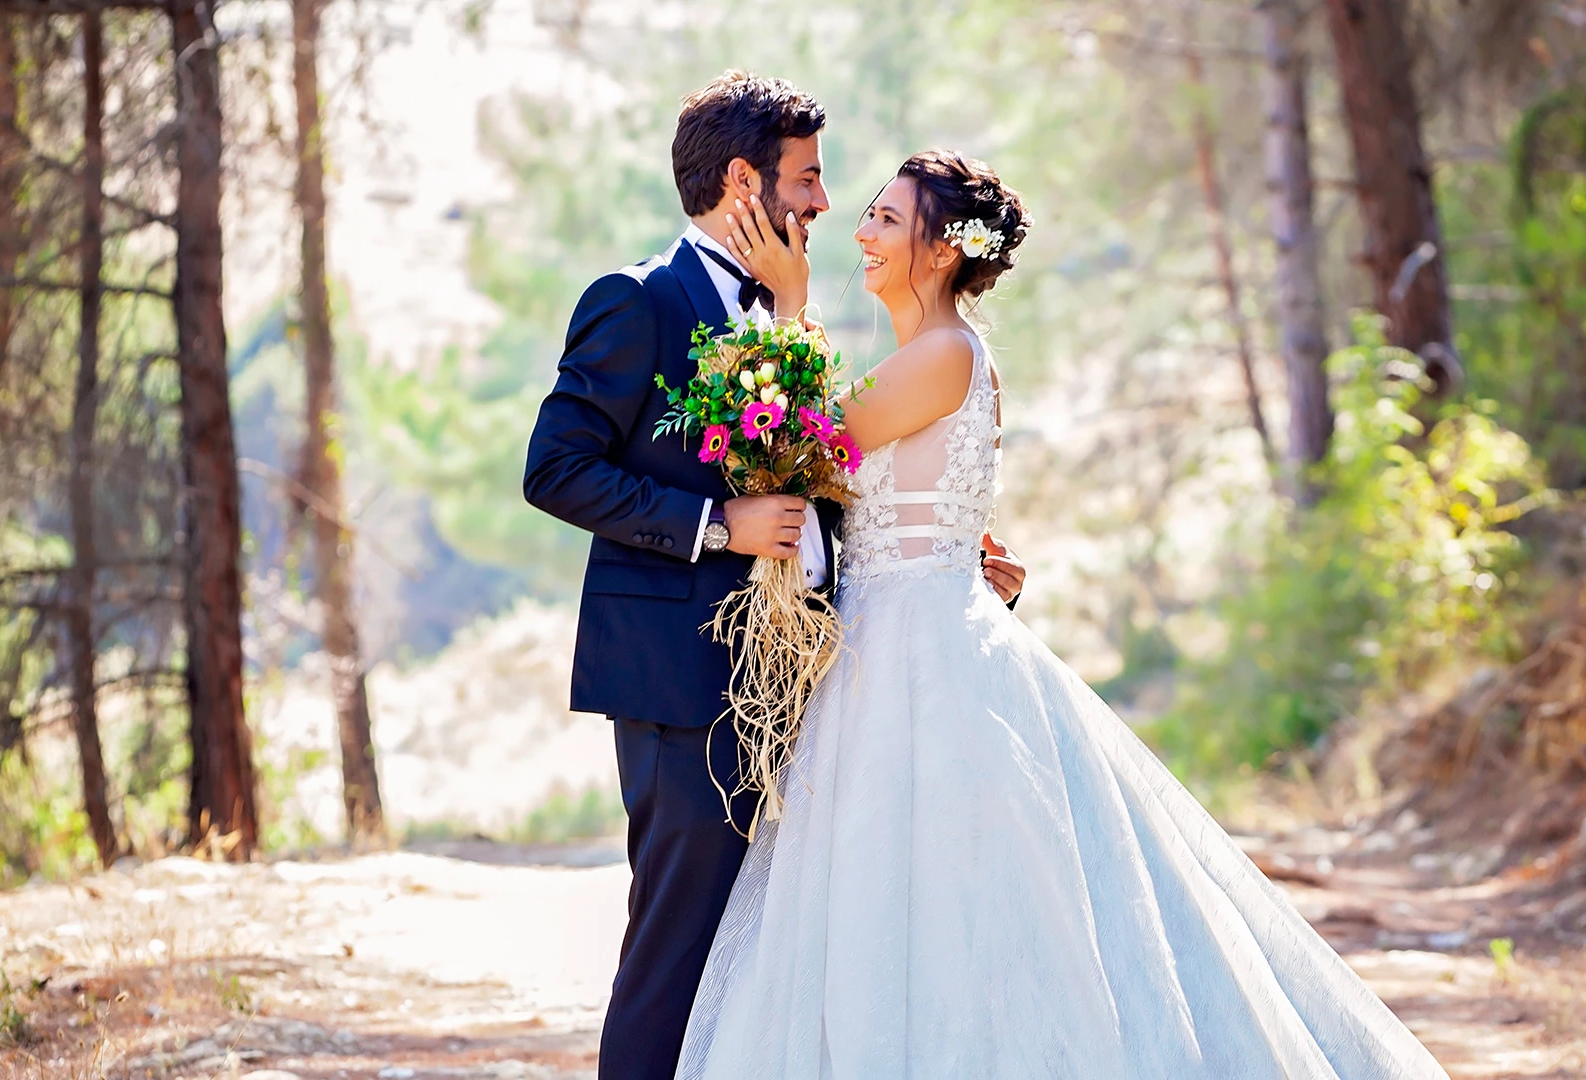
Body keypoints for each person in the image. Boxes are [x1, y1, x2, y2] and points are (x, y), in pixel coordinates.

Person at [671, 150, 1452, 1079]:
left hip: (920, 651)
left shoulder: (942, 354)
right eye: (869, 214)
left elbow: (803, 447)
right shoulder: (922, 356)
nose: (862, 234)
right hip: (895, 634)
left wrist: (792, 303)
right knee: (891, 892)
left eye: (885, 218)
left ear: (941, 251)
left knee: (951, 895)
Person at [520, 74, 1026, 1080]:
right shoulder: (639, 301)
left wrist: (951, 557)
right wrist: (716, 523)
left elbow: (831, 469)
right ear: (746, 182)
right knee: (677, 956)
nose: (827, 206)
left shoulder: (806, 316)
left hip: (821, 688)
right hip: (685, 687)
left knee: (774, 965)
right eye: (810, 178)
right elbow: (556, 468)